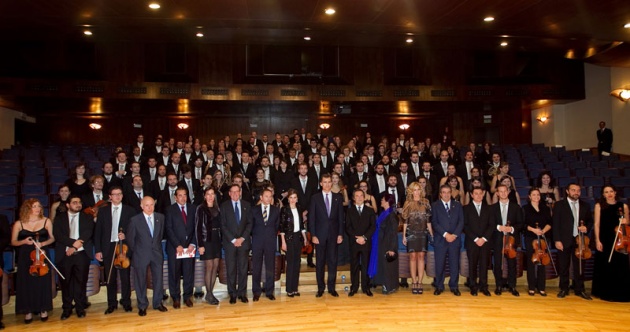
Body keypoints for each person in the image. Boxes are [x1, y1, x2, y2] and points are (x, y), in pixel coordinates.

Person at [11, 199, 54, 324]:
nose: (37, 208)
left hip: (41, 254)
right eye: (34, 206)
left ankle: (43, 309)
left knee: (42, 282)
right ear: (27, 208)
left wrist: (42, 243)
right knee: (26, 283)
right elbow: (13, 242)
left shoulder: (47, 221)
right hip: (26, 256)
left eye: (39, 206)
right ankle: (28, 311)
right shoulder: (19, 223)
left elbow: (52, 238)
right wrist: (24, 242)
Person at [94, 186, 136, 314]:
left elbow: (134, 231)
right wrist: (98, 250)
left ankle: (126, 302)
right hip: (108, 247)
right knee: (110, 277)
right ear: (110, 197)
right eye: (115, 194)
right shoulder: (103, 211)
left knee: (125, 277)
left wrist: (126, 236)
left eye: (120, 194)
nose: (117, 196)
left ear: (122, 196)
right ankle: (112, 303)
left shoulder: (130, 210)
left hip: (123, 246)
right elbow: (98, 232)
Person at [53, 195, 95, 320]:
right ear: (67, 205)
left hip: (81, 254)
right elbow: (58, 235)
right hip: (65, 255)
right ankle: (66, 308)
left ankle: (80, 308)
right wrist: (73, 243)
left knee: (81, 282)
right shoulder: (59, 219)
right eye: (74, 202)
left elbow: (88, 232)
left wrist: (76, 246)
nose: (78, 204)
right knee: (65, 283)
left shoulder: (87, 217)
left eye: (79, 202)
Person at [126, 196, 169, 316]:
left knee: (158, 280)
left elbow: (160, 236)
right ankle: (142, 305)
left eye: (152, 205)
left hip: (156, 254)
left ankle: (158, 303)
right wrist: (139, 251)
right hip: (140, 255)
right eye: (146, 205)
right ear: (141, 206)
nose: (149, 208)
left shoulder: (160, 217)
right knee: (140, 281)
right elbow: (130, 240)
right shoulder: (135, 220)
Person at [553, 183, 593, 300]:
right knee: (564, 265)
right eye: (573, 190)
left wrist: (586, 227)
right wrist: (557, 240)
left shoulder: (585, 205)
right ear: (567, 191)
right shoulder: (560, 205)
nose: (576, 193)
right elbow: (555, 224)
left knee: (579, 266)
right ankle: (564, 288)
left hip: (580, 240)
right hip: (564, 240)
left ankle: (579, 289)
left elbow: (590, 221)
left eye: (578, 191)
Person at [309, 173, 345, 298]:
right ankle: (320, 288)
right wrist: (313, 235)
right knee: (319, 263)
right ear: (320, 183)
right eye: (325, 182)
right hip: (319, 236)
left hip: (334, 235)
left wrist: (340, 233)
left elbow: (341, 218)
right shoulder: (315, 198)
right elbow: (311, 218)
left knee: (332, 262)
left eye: (329, 182)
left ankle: (331, 287)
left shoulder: (338, 197)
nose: (327, 184)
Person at [592, 185, 630, 302]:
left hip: (620, 239)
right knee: (606, 265)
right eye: (606, 192)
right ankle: (605, 292)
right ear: (603, 194)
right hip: (605, 239)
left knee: (620, 265)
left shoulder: (623, 206)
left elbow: (628, 222)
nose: (609, 194)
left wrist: (625, 221)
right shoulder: (599, 206)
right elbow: (597, 224)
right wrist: (597, 240)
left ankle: (620, 293)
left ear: (615, 193)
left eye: (611, 191)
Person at [220, 184, 253, 304]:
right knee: (231, 269)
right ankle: (232, 293)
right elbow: (223, 225)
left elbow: (250, 224)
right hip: (230, 243)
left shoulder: (247, 205)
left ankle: (242, 293)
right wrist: (234, 240)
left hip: (243, 243)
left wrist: (242, 238)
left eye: (237, 192)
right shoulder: (224, 206)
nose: (235, 194)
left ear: (240, 192)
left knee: (243, 269)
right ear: (229, 193)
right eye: (232, 192)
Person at [165, 188, 197, 309]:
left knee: (189, 273)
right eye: (180, 195)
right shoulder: (169, 210)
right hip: (175, 248)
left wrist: (193, 243)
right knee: (174, 273)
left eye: (185, 195)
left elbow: (196, 227)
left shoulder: (193, 208)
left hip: (189, 248)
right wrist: (177, 244)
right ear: (175, 197)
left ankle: (188, 296)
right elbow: (168, 229)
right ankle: (175, 298)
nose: (183, 198)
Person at [431, 185, 464, 296]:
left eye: (448, 192)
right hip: (441, 239)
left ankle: (454, 286)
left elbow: (461, 221)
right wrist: (446, 235)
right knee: (440, 264)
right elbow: (434, 223)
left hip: (454, 239)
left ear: (451, 193)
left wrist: (454, 235)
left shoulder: (458, 205)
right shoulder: (435, 206)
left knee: (454, 264)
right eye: (444, 192)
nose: (446, 194)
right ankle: (439, 286)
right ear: (440, 194)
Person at [491, 184, 523, 296]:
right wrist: (499, 227)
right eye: (501, 191)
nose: (503, 193)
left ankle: (512, 286)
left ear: (508, 192)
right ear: (497, 193)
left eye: (505, 191)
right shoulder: (492, 208)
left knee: (512, 264)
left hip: (511, 240)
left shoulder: (516, 207)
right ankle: (498, 285)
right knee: (498, 264)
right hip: (498, 239)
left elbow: (520, 224)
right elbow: (490, 224)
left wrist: (512, 228)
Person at [401, 182, 432, 294]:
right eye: (414, 189)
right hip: (411, 233)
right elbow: (405, 221)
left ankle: (420, 281)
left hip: (423, 233)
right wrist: (404, 236)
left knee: (421, 256)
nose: (417, 192)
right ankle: (414, 281)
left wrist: (431, 234)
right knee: (413, 257)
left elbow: (428, 221)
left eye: (418, 189)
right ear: (411, 191)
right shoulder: (407, 203)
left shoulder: (426, 202)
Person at [463, 187, 494, 297]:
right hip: (472, 242)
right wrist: (476, 239)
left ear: (483, 194)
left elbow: (491, 225)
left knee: (484, 265)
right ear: (471, 195)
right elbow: (465, 226)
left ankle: (484, 286)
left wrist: (484, 238)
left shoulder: (489, 208)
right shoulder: (466, 208)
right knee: (472, 265)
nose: (478, 195)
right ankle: (473, 286)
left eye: (480, 193)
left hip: (485, 242)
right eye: (476, 193)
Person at [345, 189, 376, 297]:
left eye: (361, 196)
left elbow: (373, 226)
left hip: (366, 242)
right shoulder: (349, 211)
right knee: (354, 265)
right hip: (354, 242)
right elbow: (347, 227)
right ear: (353, 198)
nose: (359, 198)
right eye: (356, 196)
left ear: (364, 197)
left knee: (365, 265)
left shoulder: (370, 210)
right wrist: (356, 238)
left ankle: (366, 287)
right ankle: (354, 287)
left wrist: (364, 237)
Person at [251, 189, 280, 301]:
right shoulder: (254, 210)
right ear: (261, 197)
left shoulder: (275, 210)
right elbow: (251, 226)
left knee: (270, 267)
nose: (268, 198)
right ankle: (256, 292)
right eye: (266, 196)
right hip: (257, 241)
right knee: (256, 267)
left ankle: (269, 291)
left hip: (270, 241)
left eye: (270, 196)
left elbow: (276, 226)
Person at [195, 187, 222, 305]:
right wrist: (200, 245)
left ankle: (210, 293)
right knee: (209, 267)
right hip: (207, 240)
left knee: (215, 267)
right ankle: (209, 293)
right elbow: (198, 228)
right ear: (204, 196)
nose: (210, 196)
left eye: (212, 194)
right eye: (208, 194)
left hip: (217, 239)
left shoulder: (217, 208)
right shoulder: (201, 209)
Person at [523, 188, 552, 296]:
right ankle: (531, 287)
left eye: (538, 195)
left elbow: (550, 222)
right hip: (531, 238)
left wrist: (543, 230)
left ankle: (541, 287)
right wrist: (534, 230)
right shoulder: (525, 208)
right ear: (529, 196)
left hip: (543, 238)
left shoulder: (545, 208)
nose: (536, 197)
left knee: (542, 262)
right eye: (533, 195)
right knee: (531, 262)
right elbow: (523, 224)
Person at [368, 193, 399, 294]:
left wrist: (391, 248)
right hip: (380, 242)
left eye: (382, 200)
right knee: (382, 265)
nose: (380, 201)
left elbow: (393, 233)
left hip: (387, 243)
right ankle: (382, 283)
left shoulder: (391, 215)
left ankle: (389, 286)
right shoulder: (384, 213)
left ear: (387, 201)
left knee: (387, 266)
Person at [280, 189, 308, 297]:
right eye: (291, 198)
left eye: (294, 197)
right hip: (288, 238)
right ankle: (289, 289)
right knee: (290, 263)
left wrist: (305, 237)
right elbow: (282, 227)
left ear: (297, 199)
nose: (293, 200)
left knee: (297, 263)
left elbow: (301, 225)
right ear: (288, 199)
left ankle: (295, 288)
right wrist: (283, 242)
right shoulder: (284, 210)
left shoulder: (299, 208)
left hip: (298, 237)